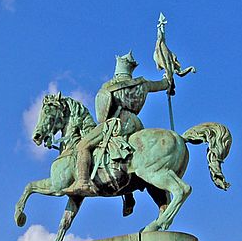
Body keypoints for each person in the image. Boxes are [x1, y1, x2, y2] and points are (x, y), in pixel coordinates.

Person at [64, 51, 170, 196]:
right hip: (136, 125)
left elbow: (102, 115)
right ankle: (128, 196)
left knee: (83, 145)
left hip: (116, 123)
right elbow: (164, 84)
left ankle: (83, 181)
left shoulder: (109, 86)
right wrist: (168, 76)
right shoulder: (143, 84)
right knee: (131, 156)